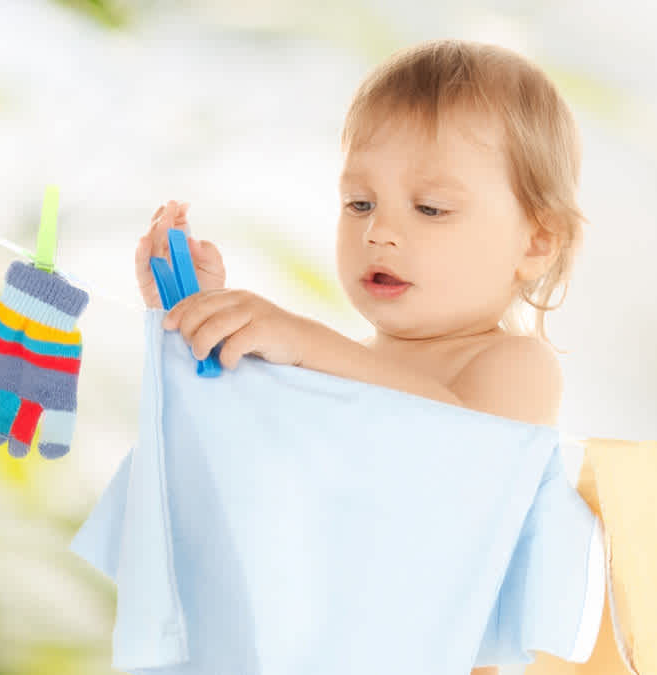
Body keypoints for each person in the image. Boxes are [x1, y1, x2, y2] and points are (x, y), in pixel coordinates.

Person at [134, 38, 589, 674]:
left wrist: (303, 342)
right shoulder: (344, 368)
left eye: (430, 208)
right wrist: (201, 321)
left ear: (537, 241)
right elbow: (253, 461)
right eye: (359, 203)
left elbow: (463, 451)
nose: (379, 231)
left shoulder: (512, 366)